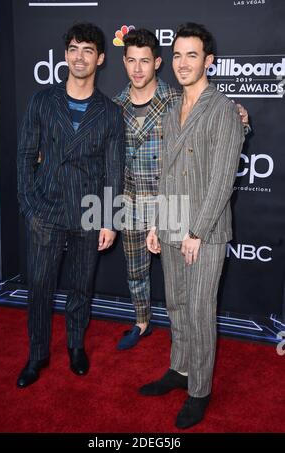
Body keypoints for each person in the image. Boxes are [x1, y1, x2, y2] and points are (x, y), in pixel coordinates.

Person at [113, 28, 249, 350]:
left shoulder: (174, 98)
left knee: (191, 299)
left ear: (156, 63)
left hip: (177, 205)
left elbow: (215, 121)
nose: (137, 68)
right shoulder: (115, 104)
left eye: (144, 61)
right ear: (123, 63)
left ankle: (193, 375)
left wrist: (240, 119)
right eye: (131, 61)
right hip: (135, 200)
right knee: (138, 272)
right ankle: (141, 323)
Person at [140, 22, 245, 429]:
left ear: (208, 61)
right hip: (169, 226)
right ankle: (179, 369)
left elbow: (222, 180)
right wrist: (155, 224)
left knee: (200, 312)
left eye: (192, 55)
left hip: (205, 232)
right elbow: (166, 173)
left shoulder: (223, 110)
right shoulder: (169, 108)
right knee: (177, 306)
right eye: (178, 55)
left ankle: (199, 390)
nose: (183, 63)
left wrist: (196, 232)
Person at [16, 23, 125, 388]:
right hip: (45, 210)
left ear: (100, 57)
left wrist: (110, 220)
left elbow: (114, 171)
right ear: (65, 55)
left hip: (89, 212)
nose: (80, 56)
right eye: (74, 49)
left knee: (81, 286)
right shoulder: (42, 101)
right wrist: (29, 206)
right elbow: (25, 155)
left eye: (88, 50)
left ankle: (76, 346)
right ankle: (37, 354)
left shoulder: (110, 112)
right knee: (40, 286)